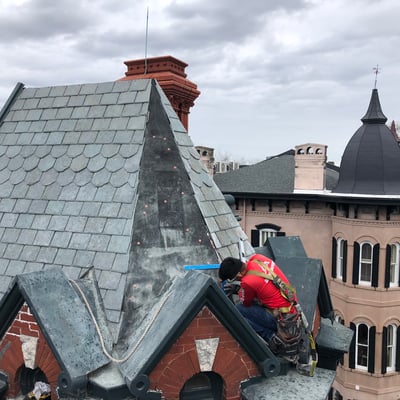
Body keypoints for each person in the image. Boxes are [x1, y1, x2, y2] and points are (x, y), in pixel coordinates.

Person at [218, 253, 298, 344]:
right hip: (292, 307)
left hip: (282, 321)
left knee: (238, 311)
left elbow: (246, 303)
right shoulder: (257, 258)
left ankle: (270, 336)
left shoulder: (247, 282)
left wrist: (239, 290)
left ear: (239, 275)